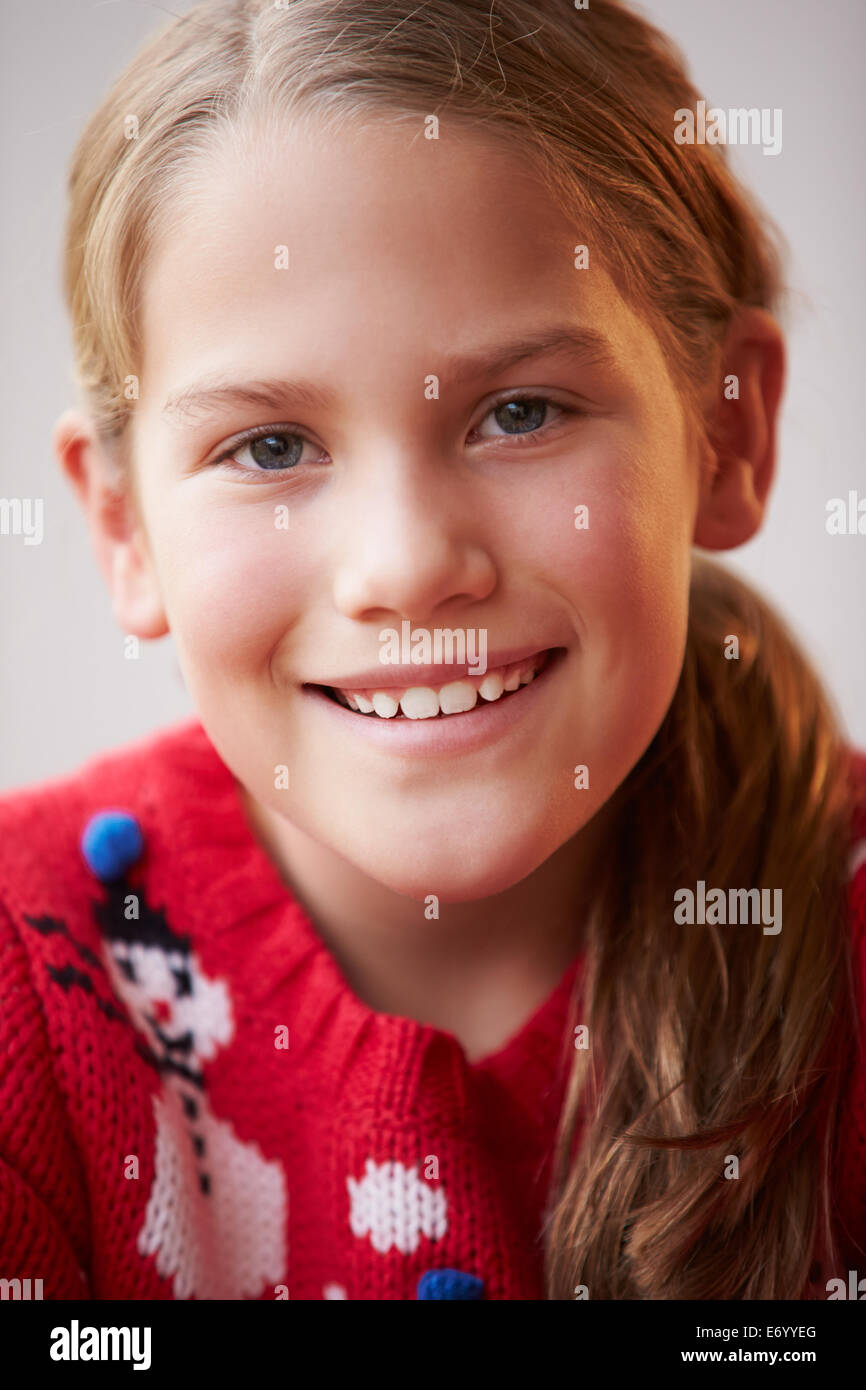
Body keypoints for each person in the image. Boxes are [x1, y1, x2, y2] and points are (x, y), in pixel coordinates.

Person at [1, 0, 863, 1301]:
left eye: (518, 412)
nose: (404, 562)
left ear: (724, 437)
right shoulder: (30, 976)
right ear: (122, 524)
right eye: (270, 447)